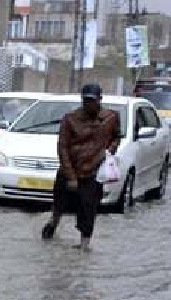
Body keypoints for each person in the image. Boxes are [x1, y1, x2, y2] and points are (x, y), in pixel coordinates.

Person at [41, 83, 121, 252]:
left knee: (88, 209)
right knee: (59, 205)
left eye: (93, 100)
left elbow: (116, 137)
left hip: (93, 173)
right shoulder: (70, 119)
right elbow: (62, 147)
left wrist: (109, 152)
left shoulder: (111, 117)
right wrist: (70, 176)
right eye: (86, 101)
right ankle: (52, 225)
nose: (89, 104)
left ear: (100, 100)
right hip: (70, 170)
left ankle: (84, 246)